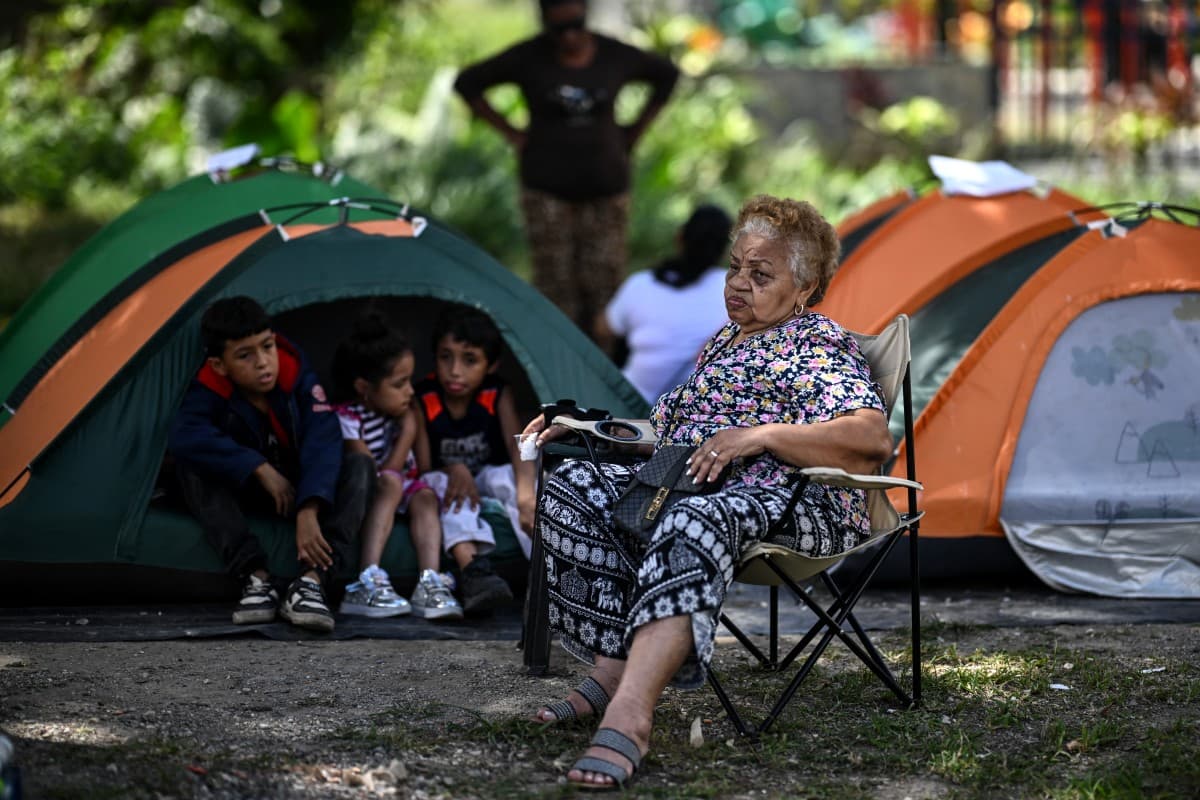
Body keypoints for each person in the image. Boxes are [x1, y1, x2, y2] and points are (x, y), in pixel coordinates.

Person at [516, 195, 894, 789]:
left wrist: (761, 435)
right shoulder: (723, 344)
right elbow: (665, 433)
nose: (739, 283)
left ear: (805, 286)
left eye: (761, 274)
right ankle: (612, 664)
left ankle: (631, 713)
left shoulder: (816, 346)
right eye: (736, 267)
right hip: (689, 483)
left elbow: (869, 437)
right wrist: (586, 426)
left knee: (692, 518)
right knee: (574, 482)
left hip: (797, 501)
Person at [453, 0, 679, 333]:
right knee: (555, 284)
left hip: (606, 186)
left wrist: (634, 132)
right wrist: (511, 133)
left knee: (604, 283)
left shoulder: (614, 54)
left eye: (577, 24)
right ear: (545, 25)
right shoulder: (529, 57)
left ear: (586, 16)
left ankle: (604, 365)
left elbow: (667, 76)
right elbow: (468, 82)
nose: (570, 36)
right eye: (559, 29)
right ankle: (559, 359)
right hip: (547, 188)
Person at [168, 296, 373, 633]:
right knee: (191, 465)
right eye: (245, 355)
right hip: (251, 490)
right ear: (220, 365)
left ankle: (312, 582)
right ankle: (256, 578)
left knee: (360, 466)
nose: (264, 363)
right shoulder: (210, 386)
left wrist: (310, 507)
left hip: (300, 489)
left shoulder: (295, 372)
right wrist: (257, 467)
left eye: (267, 346)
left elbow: (323, 440)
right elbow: (187, 435)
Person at [331, 312, 462, 621]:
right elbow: (377, 472)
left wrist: (414, 426)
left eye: (409, 381)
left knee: (426, 495)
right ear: (364, 387)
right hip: (374, 489)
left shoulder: (401, 411)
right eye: (399, 384)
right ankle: (367, 578)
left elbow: (423, 467)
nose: (410, 391)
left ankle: (430, 582)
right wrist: (407, 433)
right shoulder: (347, 419)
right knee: (391, 482)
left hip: (402, 485)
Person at [412, 306, 527, 615]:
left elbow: (517, 446)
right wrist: (454, 469)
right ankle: (474, 572)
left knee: (507, 477)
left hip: (487, 475)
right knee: (439, 485)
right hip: (447, 477)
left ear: (491, 365)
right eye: (445, 356)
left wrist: (528, 496)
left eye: (470, 360)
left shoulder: (496, 393)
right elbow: (423, 468)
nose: (455, 370)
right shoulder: (424, 398)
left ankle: (546, 570)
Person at [597, 203, 734, 403]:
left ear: (680, 237)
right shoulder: (735, 290)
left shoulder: (641, 283)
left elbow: (603, 328)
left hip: (628, 404)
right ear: (725, 251)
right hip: (690, 410)